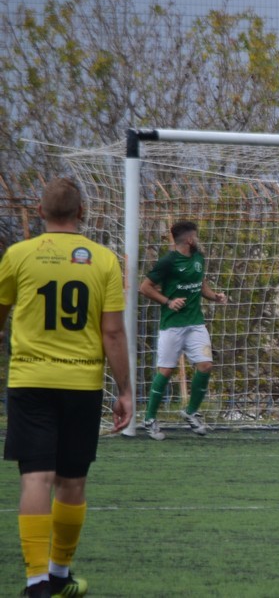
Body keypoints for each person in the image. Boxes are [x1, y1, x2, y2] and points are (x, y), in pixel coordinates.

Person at [1, 177, 133, 598]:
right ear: (81, 213)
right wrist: (125, 390)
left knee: (36, 479)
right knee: (72, 481)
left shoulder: (18, 255)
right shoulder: (104, 259)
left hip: (30, 382)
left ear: (40, 212)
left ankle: (37, 583)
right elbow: (112, 333)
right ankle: (60, 574)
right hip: (81, 384)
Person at [139, 221, 227, 440]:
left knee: (206, 365)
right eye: (196, 236)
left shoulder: (198, 257)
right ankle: (149, 419)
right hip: (172, 325)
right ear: (188, 239)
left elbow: (201, 284)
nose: (198, 239)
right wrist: (168, 301)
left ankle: (191, 412)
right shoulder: (168, 261)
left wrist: (215, 296)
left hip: (195, 323)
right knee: (166, 371)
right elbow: (145, 287)